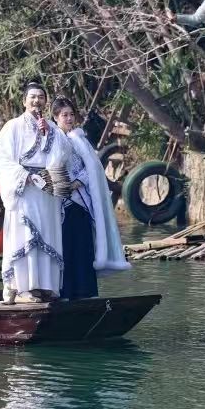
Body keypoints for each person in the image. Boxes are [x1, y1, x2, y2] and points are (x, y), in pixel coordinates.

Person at [0, 79, 71, 304]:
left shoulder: (52, 128)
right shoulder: (13, 126)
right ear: (24, 101)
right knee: (25, 235)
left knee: (48, 234)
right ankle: (22, 288)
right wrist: (23, 175)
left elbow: (65, 152)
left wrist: (50, 134)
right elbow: (0, 156)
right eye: (33, 97)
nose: (37, 101)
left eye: (41, 97)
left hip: (46, 189)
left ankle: (46, 286)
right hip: (24, 188)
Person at [52, 97, 131, 301]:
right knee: (65, 248)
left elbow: (92, 168)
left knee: (84, 246)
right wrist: (62, 184)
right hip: (59, 203)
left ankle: (86, 293)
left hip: (81, 202)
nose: (69, 118)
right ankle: (65, 293)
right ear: (55, 117)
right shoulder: (50, 140)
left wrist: (77, 182)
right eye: (64, 115)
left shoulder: (80, 139)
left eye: (71, 114)